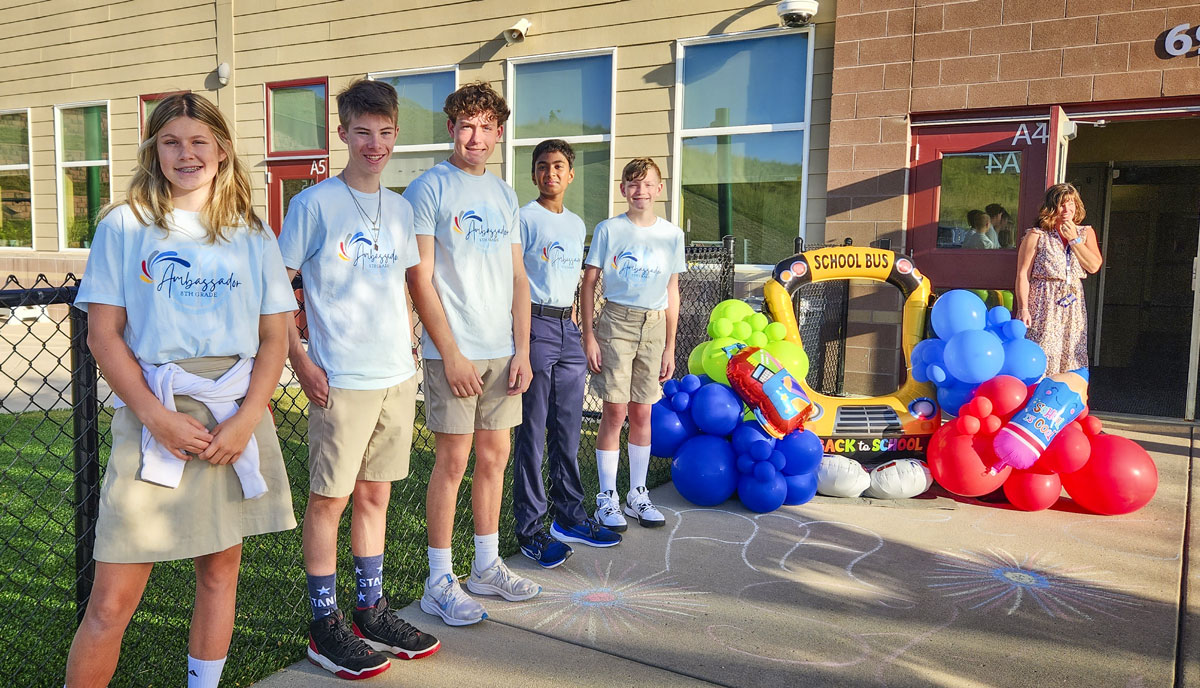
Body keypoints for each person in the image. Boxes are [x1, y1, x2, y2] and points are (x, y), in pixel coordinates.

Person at [65, 93, 297, 688]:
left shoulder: (249, 230)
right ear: (154, 149)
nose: (185, 153)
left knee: (220, 573)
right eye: (171, 141)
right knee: (111, 599)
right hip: (157, 414)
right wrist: (154, 418)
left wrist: (248, 418)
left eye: (199, 141)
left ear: (221, 148)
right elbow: (103, 334)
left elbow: (275, 337)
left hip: (233, 417)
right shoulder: (125, 224)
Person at [279, 79, 440, 679]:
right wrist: (301, 360)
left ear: (396, 135)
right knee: (331, 500)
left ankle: (369, 611)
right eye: (362, 133)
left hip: (396, 376)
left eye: (385, 133)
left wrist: (412, 353)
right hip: (340, 380)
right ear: (342, 133)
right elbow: (277, 288)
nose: (374, 144)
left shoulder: (400, 210)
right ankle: (325, 626)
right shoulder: (313, 204)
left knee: (377, 495)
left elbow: (402, 289)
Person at [404, 81, 537, 626]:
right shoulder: (429, 188)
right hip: (451, 355)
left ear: (499, 133)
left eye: (486, 126)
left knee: (494, 459)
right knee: (452, 462)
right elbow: (420, 277)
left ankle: (486, 566)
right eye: (466, 125)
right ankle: (440, 578)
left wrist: (522, 349)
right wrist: (450, 353)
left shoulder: (505, 194)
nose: (475, 136)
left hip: (502, 353)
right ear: (452, 128)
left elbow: (518, 278)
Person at [513, 139, 622, 569]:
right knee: (532, 434)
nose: (550, 173)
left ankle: (570, 517)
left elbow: (572, 280)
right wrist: (520, 340)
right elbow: (516, 280)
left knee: (569, 432)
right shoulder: (523, 218)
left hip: (567, 328)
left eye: (558, 166)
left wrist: (576, 323)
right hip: (535, 326)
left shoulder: (577, 224)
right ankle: (530, 530)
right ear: (534, 174)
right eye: (542, 166)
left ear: (570, 174)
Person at [582, 157, 687, 531]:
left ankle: (637, 494)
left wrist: (670, 346)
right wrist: (589, 334)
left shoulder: (672, 235)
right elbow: (590, 281)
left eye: (648, 184)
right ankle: (606, 498)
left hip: (655, 327)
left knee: (643, 412)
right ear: (623, 190)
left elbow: (672, 290)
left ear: (660, 189)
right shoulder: (610, 230)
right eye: (633, 183)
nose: (640, 190)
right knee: (615, 411)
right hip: (617, 323)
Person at [1014, 183, 1104, 375]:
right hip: (1043, 302)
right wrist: (1023, 308)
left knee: (1072, 352)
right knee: (1044, 349)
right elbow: (1023, 274)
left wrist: (1074, 239)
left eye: (1071, 203)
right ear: (1051, 207)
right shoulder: (1036, 235)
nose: (1067, 209)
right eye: (1062, 204)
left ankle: (1068, 398)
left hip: (1072, 302)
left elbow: (1094, 266)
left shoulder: (1085, 233)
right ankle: (1038, 401)